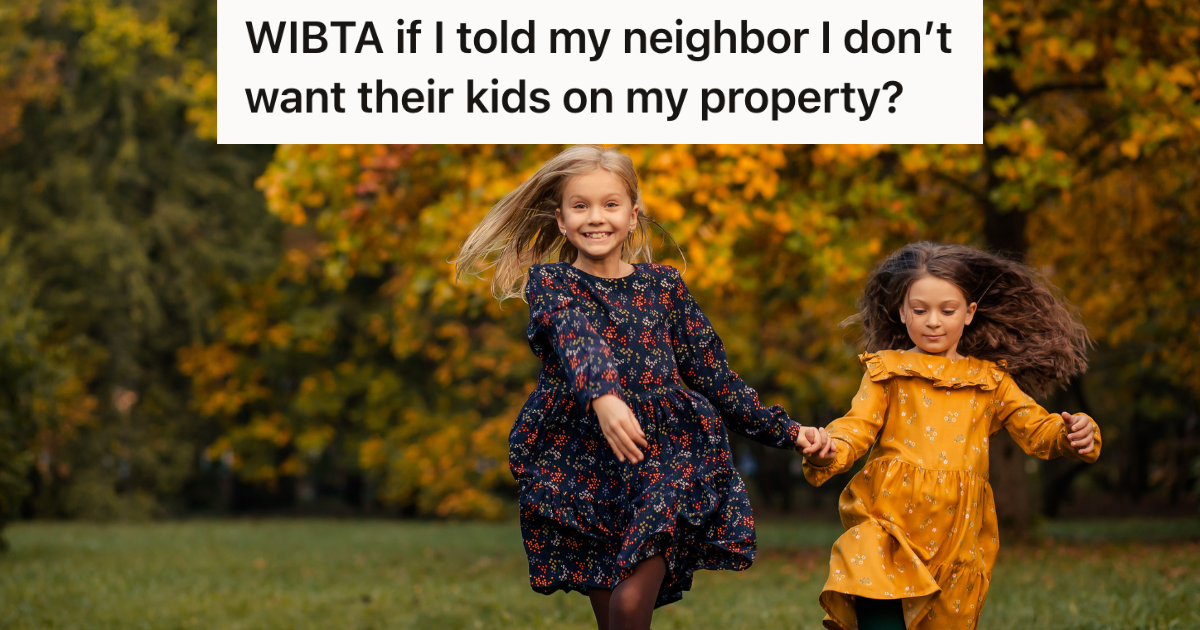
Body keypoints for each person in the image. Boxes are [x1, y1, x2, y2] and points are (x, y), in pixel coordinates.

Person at [454, 145, 822, 630]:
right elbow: (574, 335)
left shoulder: (664, 286)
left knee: (630, 608)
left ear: (633, 213)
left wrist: (789, 431)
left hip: (667, 454)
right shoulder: (553, 283)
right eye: (579, 205)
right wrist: (604, 396)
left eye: (610, 204)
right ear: (561, 221)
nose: (595, 218)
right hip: (582, 462)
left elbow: (712, 373)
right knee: (617, 622)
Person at [800, 241, 1102, 630]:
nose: (933, 322)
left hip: (957, 538)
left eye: (947, 310)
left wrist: (1071, 433)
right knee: (872, 579)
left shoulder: (990, 381)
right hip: (888, 524)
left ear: (969, 313)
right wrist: (829, 449)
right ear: (902, 312)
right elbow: (855, 429)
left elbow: (1036, 428)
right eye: (920, 310)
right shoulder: (886, 371)